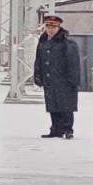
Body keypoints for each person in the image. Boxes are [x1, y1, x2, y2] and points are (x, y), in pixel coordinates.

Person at [33, 11, 81, 140]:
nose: (50, 29)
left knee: (66, 106)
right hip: (50, 79)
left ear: (59, 27)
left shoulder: (67, 43)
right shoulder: (43, 42)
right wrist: (38, 76)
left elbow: (73, 63)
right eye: (48, 26)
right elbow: (39, 60)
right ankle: (56, 129)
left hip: (64, 80)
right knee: (53, 105)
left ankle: (67, 129)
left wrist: (73, 80)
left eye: (53, 27)